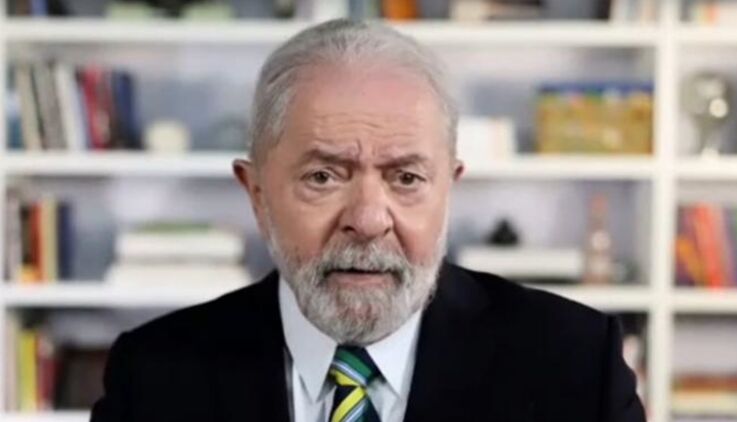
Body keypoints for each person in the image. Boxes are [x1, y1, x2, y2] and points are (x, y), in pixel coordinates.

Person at [91, 19, 646, 422]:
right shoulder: (153, 378)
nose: (368, 219)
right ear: (257, 193)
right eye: (323, 177)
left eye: (406, 178)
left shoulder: (575, 365)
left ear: (448, 188)